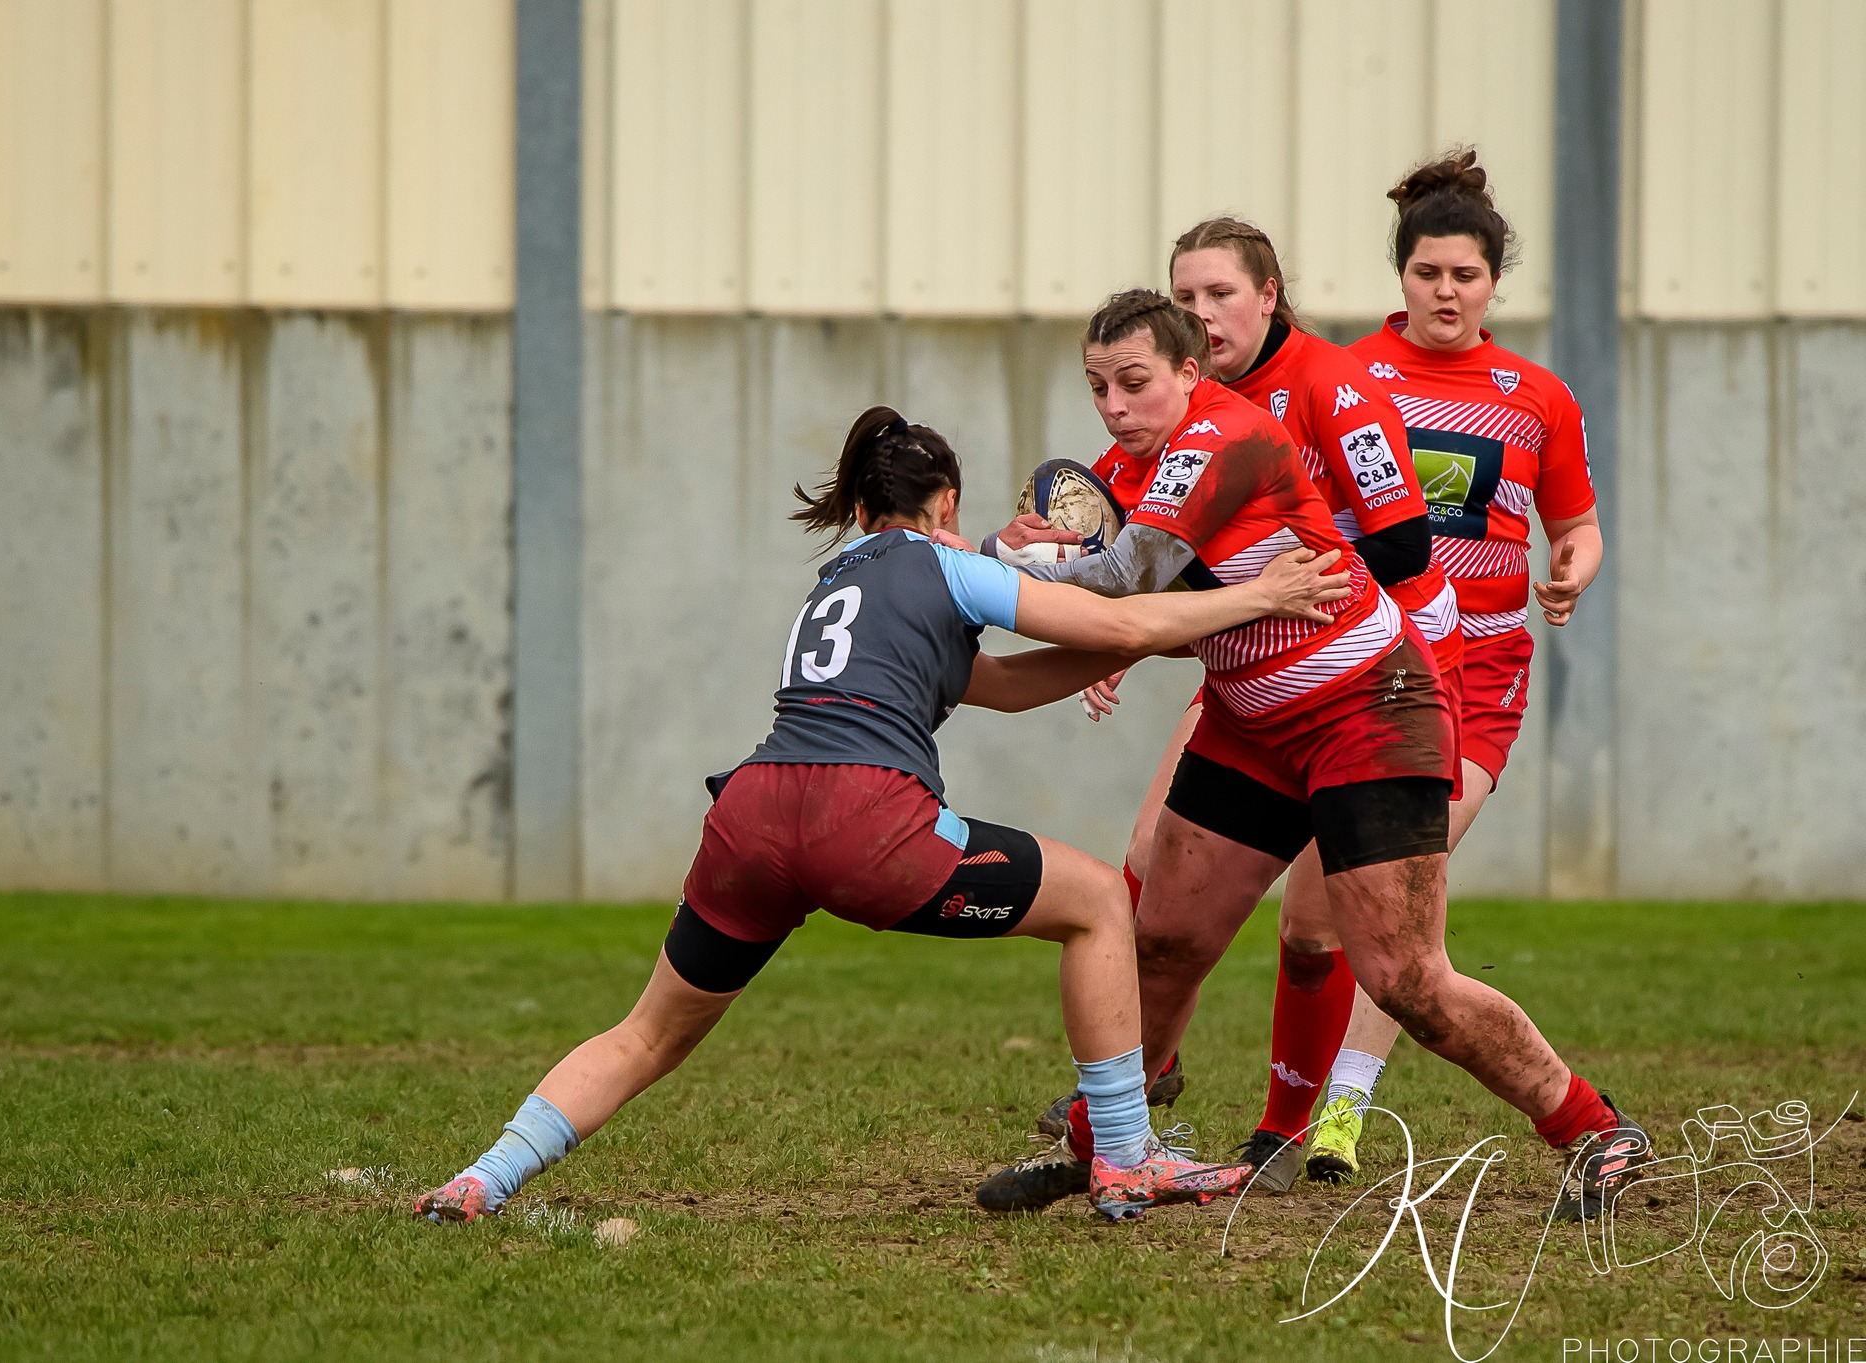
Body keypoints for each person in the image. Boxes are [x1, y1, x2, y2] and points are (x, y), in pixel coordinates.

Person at [413, 405, 1352, 1226]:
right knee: (1100, 900)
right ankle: (1125, 1156)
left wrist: (1138, 641)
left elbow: (1008, 685)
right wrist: (1260, 597)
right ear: (947, 507)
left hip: (750, 817)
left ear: (858, 511)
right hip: (863, 817)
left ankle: (482, 1177)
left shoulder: (838, 584)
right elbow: (1118, 621)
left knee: (650, 1031)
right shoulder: (943, 563)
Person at [969, 289, 1647, 1224]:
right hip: (1252, 721)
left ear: (1189, 374)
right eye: (1097, 388)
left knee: (1406, 977)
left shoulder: (1222, 438)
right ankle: (1106, 1152)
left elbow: (1130, 579)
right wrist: (1021, 553)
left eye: (1133, 383)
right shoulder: (1130, 465)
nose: (1114, 406)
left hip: (1368, 709)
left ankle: (1593, 1127)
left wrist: (973, 568)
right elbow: (1132, 594)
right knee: (1161, 942)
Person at [977, 218, 1461, 1206]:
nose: (1202, 312)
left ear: (1267, 296)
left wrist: (1355, 658)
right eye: (1184, 295)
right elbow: (1127, 562)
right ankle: (1117, 1113)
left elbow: (1408, 560)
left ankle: (1287, 1131)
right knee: (1154, 888)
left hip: (1375, 684)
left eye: (1219, 294)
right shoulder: (1158, 423)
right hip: (1244, 677)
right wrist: (1108, 618)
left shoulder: (1323, 387)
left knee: (1322, 929)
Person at [1301, 148, 1606, 1183]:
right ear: (1400, 276)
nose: (1444, 291)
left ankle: (1339, 1111)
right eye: (1426, 273)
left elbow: (1576, 523)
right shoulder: (1342, 378)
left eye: (1463, 275)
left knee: (1395, 907)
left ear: (1491, 282)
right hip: (1358, 666)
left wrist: (1569, 569)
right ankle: (1266, 1110)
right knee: (1310, 919)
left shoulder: (1534, 396)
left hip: (1474, 680)